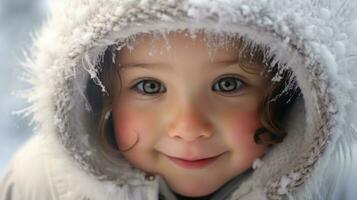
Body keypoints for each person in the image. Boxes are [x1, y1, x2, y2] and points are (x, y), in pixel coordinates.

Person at [1, 1, 356, 200]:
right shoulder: (42, 184)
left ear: (292, 93)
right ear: (96, 95)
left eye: (228, 84)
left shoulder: (337, 187)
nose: (188, 128)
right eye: (150, 86)